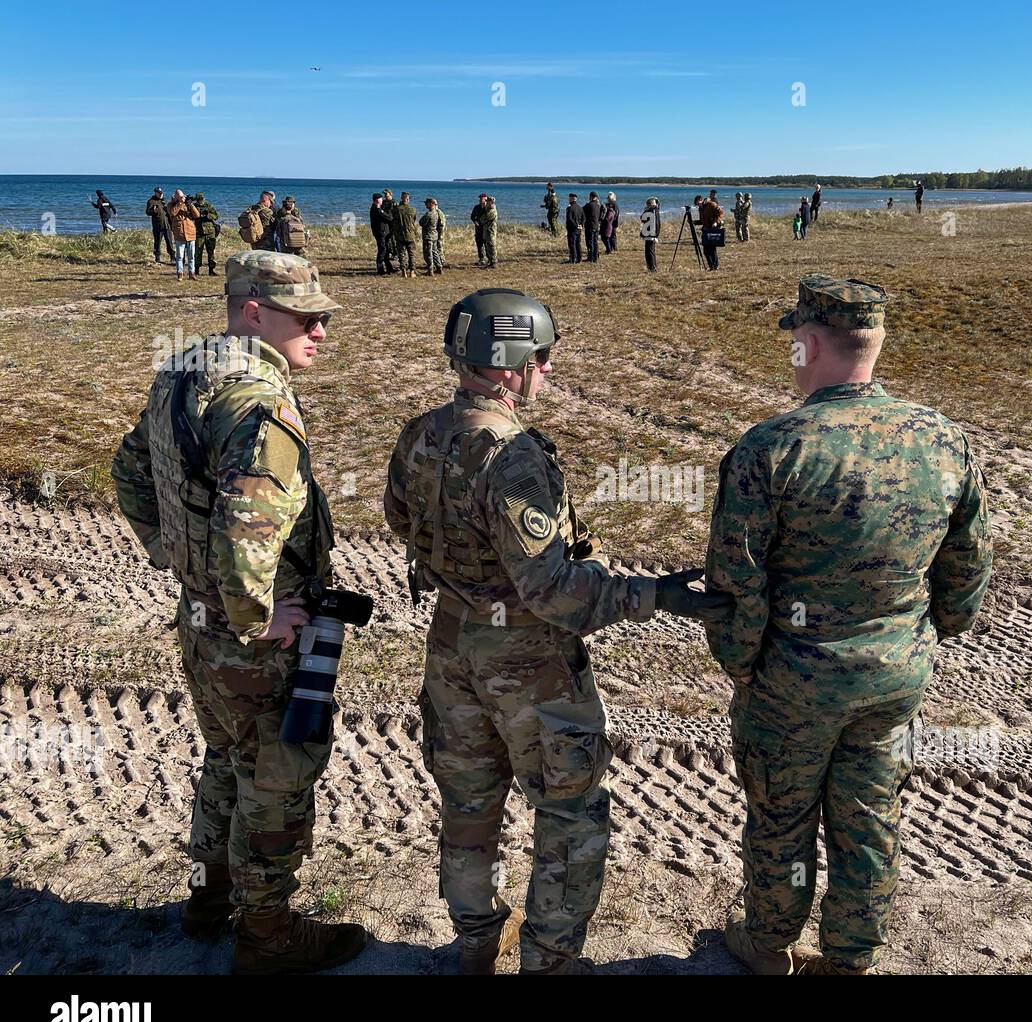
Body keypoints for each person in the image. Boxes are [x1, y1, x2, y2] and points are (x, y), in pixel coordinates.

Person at [384, 288, 732, 975]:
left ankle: (476, 939)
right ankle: (549, 960)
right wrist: (651, 594)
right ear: (509, 361)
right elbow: (553, 590)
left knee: (469, 798)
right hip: (526, 661)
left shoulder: (422, 432)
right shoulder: (510, 456)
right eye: (541, 358)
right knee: (570, 808)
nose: (547, 371)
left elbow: (400, 517)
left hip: (451, 645)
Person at [704, 275, 992, 976]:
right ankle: (849, 960)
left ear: (808, 344)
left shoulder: (771, 448)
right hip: (893, 676)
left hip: (790, 682)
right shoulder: (942, 439)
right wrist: (933, 632)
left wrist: (739, 660)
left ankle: (771, 947)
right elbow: (968, 563)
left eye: (793, 344)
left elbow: (734, 581)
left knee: (781, 816)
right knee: (869, 820)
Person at [111, 250, 367, 975]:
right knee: (276, 777)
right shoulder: (258, 398)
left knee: (225, 758)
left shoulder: (184, 371)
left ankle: (207, 897)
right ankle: (268, 937)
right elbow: (248, 520)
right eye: (306, 317)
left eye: (323, 317)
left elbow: (130, 470)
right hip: (249, 640)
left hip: (200, 623)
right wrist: (258, 615)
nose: (320, 331)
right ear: (253, 310)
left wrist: (176, 557)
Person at [168, 189, 200, 281]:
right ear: (176, 197)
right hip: (180, 234)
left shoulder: (188, 205)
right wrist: (180, 203)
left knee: (191, 256)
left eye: (183, 196)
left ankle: (192, 273)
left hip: (190, 233)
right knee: (179, 256)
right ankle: (180, 274)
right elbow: (172, 213)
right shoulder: (171, 205)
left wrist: (191, 204)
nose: (182, 198)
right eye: (180, 197)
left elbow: (197, 215)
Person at [391, 191, 420, 277]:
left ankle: (404, 271)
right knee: (411, 254)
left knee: (401, 254)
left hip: (400, 235)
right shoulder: (412, 210)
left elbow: (393, 216)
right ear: (408, 199)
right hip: (410, 235)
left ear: (401, 198)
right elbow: (413, 220)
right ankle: (412, 271)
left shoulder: (396, 209)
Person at [193, 193, 220, 276]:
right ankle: (196, 270)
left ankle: (211, 270)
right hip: (199, 232)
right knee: (197, 252)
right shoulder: (193, 206)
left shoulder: (209, 206)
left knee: (211, 251)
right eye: (199, 200)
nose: (200, 201)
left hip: (210, 232)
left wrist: (208, 215)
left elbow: (216, 216)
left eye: (201, 199)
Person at [146, 186, 175, 263]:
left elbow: (169, 212)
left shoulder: (165, 201)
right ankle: (157, 258)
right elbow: (148, 212)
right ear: (155, 193)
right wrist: (153, 211)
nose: (160, 194)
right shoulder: (151, 201)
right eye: (159, 193)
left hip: (167, 225)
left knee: (169, 242)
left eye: (161, 193)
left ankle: (172, 257)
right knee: (157, 243)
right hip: (157, 226)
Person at [369, 193, 395, 275]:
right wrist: (388, 214)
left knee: (386, 250)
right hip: (381, 233)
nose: (382, 200)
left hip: (384, 232)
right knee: (382, 250)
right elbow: (389, 218)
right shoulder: (377, 209)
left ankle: (389, 268)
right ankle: (380, 269)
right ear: (377, 200)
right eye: (381, 199)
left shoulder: (378, 208)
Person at [698, 190, 724, 270]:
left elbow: (721, 212)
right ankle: (712, 266)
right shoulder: (701, 208)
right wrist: (694, 222)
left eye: (699, 203)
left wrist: (716, 222)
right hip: (706, 230)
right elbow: (702, 220)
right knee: (706, 250)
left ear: (701, 200)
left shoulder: (711, 203)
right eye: (697, 205)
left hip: (712, 229)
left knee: (712, 249)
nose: (698, 205)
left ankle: (715, 266)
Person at [420, 197, 446, 275]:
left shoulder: (429, 214)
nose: (425, 205)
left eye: (426, 203)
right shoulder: (438, 213)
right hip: (435, 235)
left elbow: (421, 223)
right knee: (435, 252)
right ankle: (439, 267)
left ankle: (430, 269)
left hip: (428, 236)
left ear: (431, 204)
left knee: (428, 253)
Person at [639, 196, 661, 272]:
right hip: (652, 233)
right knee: (651, 252)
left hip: (650, 234)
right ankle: (652, 267)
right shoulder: (656, 210)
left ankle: (652, 268)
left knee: (649, 252)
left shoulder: (649, 211)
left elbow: (642, 218)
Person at [470, 193, 490, 265]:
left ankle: (489, 259)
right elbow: (472, 216)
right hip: (478, 228)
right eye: (480, 198)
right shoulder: (476, 207)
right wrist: (475, 222)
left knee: (487, 244)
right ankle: (481, 259)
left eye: (482, 198)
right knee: (479, 244)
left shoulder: (488, 207)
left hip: (486, 229)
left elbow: (491, 217)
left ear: (486, 199)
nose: (481, 199)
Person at [564, 194, 583, 264]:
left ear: (572, 199)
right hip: (579, 229)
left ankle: (573, 259)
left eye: (569, 198)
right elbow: (584, 218)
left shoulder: (570, 208)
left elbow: (569, 218)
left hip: (572, 229)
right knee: (578, 244)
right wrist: (581, 225)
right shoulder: (580, 208)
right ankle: (579, 258)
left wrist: (576, 225)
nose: (568, 200)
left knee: (572, 244)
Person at [582, 192, 601, 262]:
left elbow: (581, 210)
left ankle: (590, 257)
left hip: (590, 226)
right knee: (595, 242)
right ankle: (595, 257)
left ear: (591, 197)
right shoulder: (598, 205)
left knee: (589, 242)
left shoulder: (589, 205)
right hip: (596, 226)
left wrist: (586, 204)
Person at [482, 195, 499, 269]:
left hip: (491, 231)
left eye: (488, 202)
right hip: (487, 230)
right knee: (487, 246)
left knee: (491, 246)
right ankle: (490, 261)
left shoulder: (492, 210)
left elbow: (484, 219)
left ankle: (493, 262)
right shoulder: (488, 209)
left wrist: (481, 219)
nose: (487, 203)